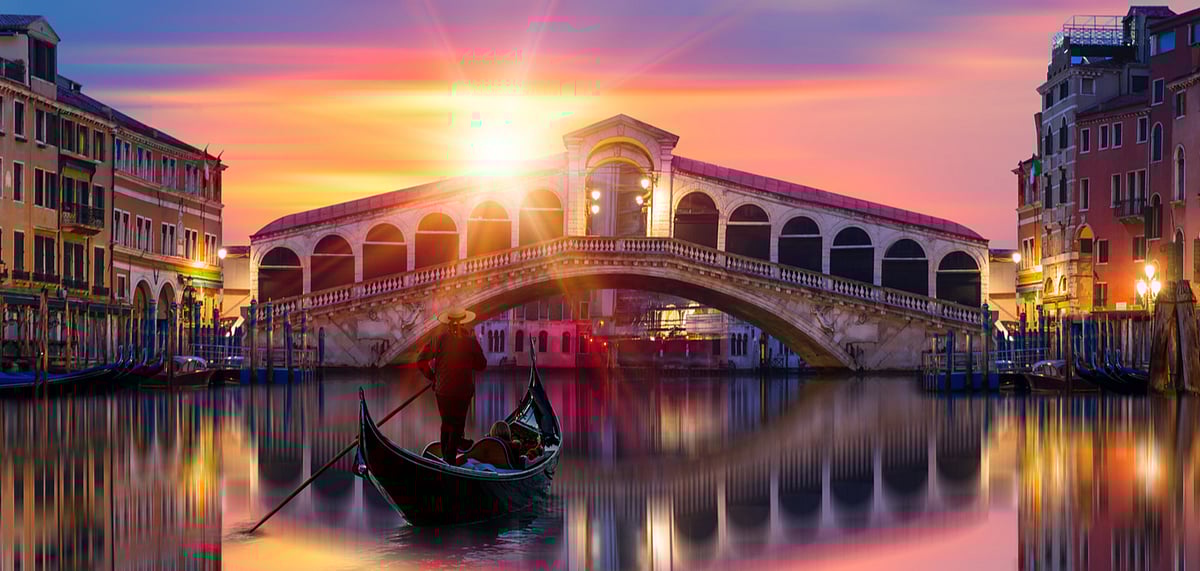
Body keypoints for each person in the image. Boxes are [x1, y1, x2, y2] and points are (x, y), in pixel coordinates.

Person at [418, 308, 487, 466]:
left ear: (448, 324)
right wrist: (473, 350)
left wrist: (432, 376)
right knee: (457, 424)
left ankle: (447, 457)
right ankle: (449, 460)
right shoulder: (470, 342)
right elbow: (482, 365)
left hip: (442, 390)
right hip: (462, 392)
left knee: (447, 423)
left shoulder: (438, 340)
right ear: (463, 323)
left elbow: (420, 360)